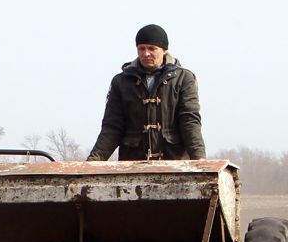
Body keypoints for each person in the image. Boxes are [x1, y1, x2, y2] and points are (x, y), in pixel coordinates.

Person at [87, 24, 206, 161]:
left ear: (164, 50)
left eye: (152, 48)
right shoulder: (121, 81)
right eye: (141, 48)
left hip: (174, 162)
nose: (146, 53)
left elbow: (189, 121)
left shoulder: (183, 79)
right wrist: (93, 162)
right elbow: (112, 127)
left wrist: (200, 161)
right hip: (132, 164)